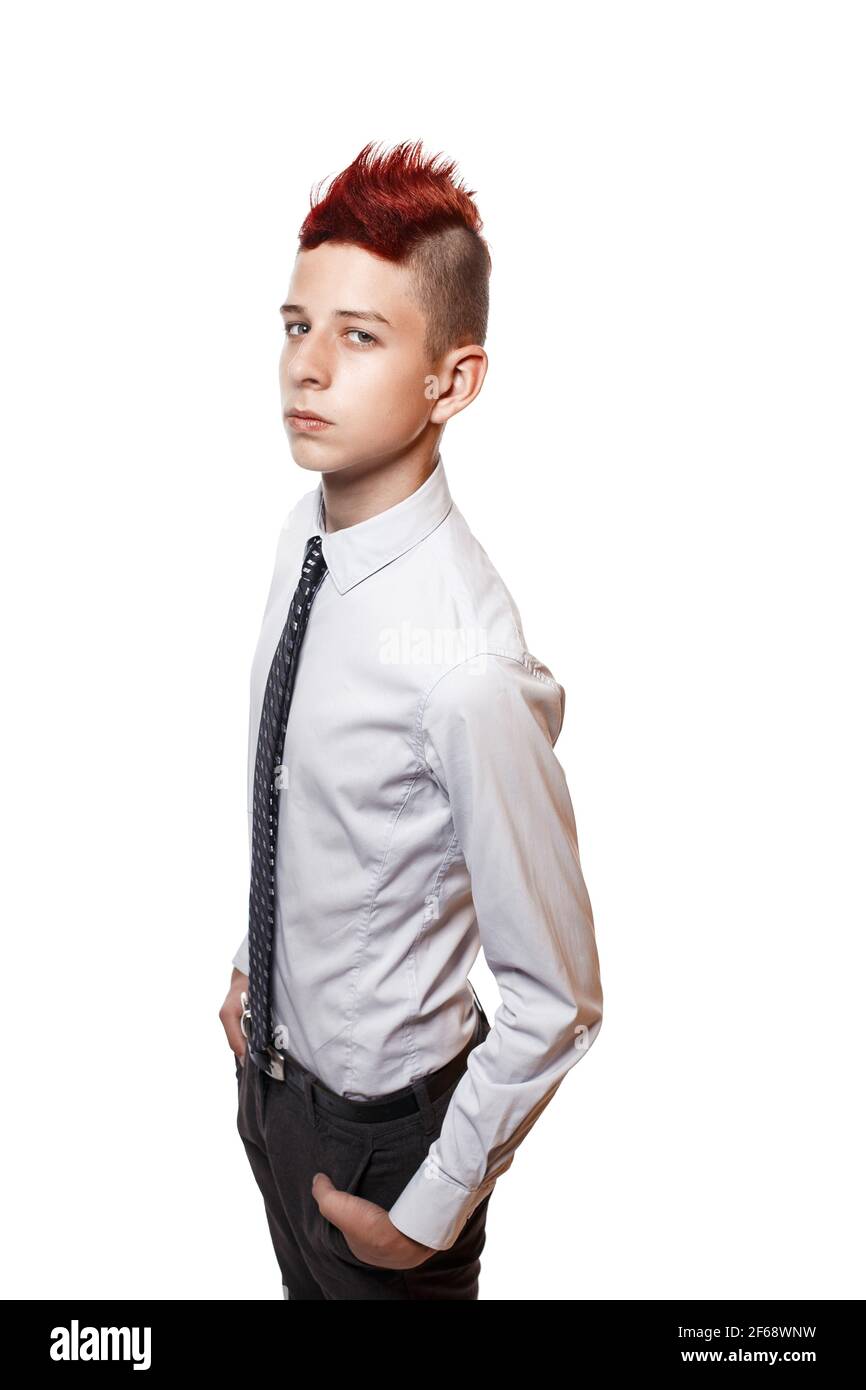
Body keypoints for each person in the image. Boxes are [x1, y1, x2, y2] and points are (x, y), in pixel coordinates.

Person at [219, 139, 604, 1300]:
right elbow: (315, 792)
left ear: (452, 381)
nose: (308, 370)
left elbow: (557, 994)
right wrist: (257, 975)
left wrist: (427, 1213)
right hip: (273, 1091)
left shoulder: (468, 668)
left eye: (361, 335)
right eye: (298, 325)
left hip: (386, 1149)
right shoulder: (307, 530)